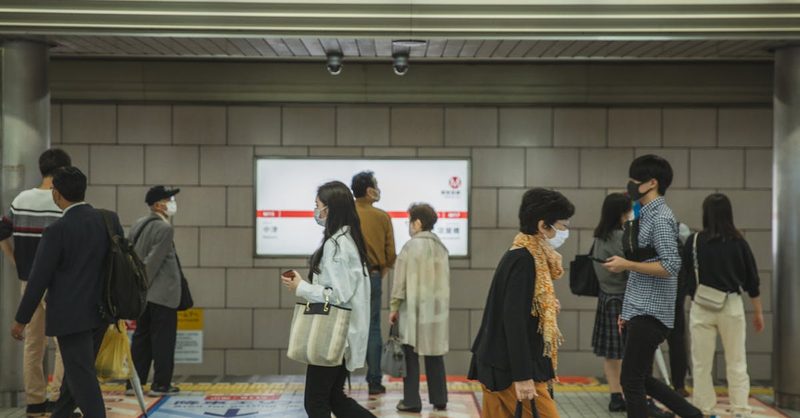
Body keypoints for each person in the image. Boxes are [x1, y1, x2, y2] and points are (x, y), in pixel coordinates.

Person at [11, 167, 124, 418]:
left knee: (82, 377)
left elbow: (38, 280)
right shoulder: (108, 220)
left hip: (70, 318)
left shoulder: (57, 231)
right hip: (101, 312)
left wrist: (21, 320)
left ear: (57, 194)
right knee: (76, 372)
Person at [603, 155, 703, 418]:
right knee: (641, 378)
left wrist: (627, 264)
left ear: (652, 183)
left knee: (631, 381)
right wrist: (628, 310)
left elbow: (670, 265)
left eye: (636, 179)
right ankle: (692, 414)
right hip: (641, 309)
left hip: (652, 312)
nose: (631, 184)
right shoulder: (644, 215)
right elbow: (642, 266)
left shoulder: (660, 217)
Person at [468, 188, 574, 418]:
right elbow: (513, 320)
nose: (566, 232)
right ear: (543, 226)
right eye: (563, 226)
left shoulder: (525, 254)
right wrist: (523, 376)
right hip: (507, 368)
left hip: (499, 362)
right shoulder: (524, 260)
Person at [281, 181, 375, 418]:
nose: (316, 211)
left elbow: (336, 296)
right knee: (335, 399)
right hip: (342, 336)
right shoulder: (346, 240)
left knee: (316, 402)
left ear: (329, 209)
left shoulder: (337, 246)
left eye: (317, 206)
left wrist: (301, 287)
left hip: (332, 336)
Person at [0, 149, 71, 416]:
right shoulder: (62, 203)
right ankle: (59, 397)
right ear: (64, 172)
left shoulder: (21, 199)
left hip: (29, 281)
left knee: (33, 344)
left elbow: (1, 232)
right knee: (64, 343)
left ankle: (35, 401)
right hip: (59, 283)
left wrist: (15, 259)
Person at [685, 193, 764, 417]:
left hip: (701, 306)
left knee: (701, 364)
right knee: (737, 361)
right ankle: (740, 409)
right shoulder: (739, 242)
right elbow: (752, 280)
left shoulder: (694, 241)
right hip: (731, 305)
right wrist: (758, 312)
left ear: (705, 214)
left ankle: (703, 409)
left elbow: (685, 277)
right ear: (729, 214)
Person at [389, 203, 450, 413]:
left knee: (410, 355)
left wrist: (394, 307)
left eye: (409, 222)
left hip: (413, 310)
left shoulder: (409, 247)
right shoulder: (442, 247)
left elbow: (400, 284)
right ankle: (439, 398)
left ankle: (412, 401)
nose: (409, 226)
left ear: (417, 223)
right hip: (436, 312)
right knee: (434, 353)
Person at [128, 186, 182, 397]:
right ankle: (161, 384)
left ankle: (134, 384)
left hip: (144, 297)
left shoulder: (138, 224)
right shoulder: (164, 228)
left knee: (141, 339)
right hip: (162, 295)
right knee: (163, 341)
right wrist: (144, 283)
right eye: (169, 199)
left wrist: (137, 289)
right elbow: (153, 262)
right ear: (158, 204)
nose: (172, 203)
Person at [351, 171, 396, 395]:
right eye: (376, 186)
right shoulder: (382, 217)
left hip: (348, 278)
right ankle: (375, 382)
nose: (378, 189)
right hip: (374, 275)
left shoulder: (347, 213)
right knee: (373, 328)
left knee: (344, 325)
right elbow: (390, 254)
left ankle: (339, 379)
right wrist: (378, 274)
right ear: (369, 191)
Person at [590, 193, 632, 413]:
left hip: (606, 297)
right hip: (625, 299)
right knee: (632, 351)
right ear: (622, 213)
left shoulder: (599, 236)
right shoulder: (623, 237)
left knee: (611, 352)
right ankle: (631, 393)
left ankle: (615, 394)